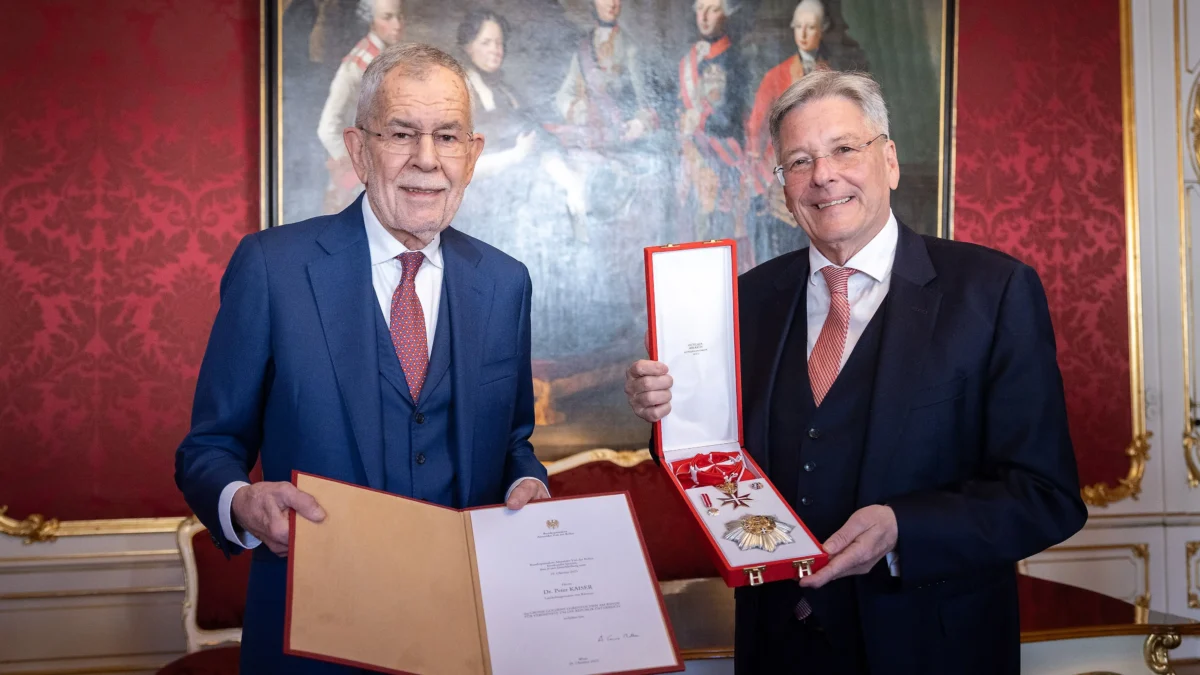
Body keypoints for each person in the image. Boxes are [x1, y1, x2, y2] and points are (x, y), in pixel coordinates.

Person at [625, 70, 1086, 674]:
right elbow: (704, 454)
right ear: (784, 188)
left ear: (889, 160)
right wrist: (665, 414)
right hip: (777, 649)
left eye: (845, 149)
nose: (823, 175)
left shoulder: (993, 292)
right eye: (798, 160)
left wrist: (903, 529)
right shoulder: (742, 302)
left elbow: (1045, 496)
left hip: (931, 650)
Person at [176, 44, 549, 673]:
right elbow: (208, 447)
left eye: (448, 136)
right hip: (312, 638)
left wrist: (525, 481)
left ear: (473, 154)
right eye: (402, 133)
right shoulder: (273, 269)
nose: (426, 160)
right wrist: (241, 501)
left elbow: (513, 441)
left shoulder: (505, 282)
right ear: (357, 149)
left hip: (467, 632)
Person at [456, 9, 589, 245]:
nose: (496, 49)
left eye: (499, 42)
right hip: (481, 205)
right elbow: (459, 165)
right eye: (486, 42)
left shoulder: (507, 91)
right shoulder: (461, 93)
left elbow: (535, 134)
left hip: (519, 192)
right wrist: (515, 155)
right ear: (468, 47)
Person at [744, 0, 834, 262]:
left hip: (821, 173)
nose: (804, 34)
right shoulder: (776, 76)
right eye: (799, 27)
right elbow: (755, 128)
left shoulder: (832, 75)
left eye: (810, 27)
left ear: (821, 31)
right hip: (782, 172)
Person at [676, 0, 757, 265]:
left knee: (723, 232)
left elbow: (734, 113)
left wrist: (700, 119)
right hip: (693, 157)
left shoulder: (735, 59)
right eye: (700, 9)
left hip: (725, 156)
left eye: (712, 9)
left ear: (725, 14)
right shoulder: (690, 59)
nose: (705, 17)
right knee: (693, 226)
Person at [315, 0, 404, 214]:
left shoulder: (391, 59)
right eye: (387, 17)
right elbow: (326, 128)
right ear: (370, 21)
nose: (397, 24)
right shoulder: (355, 66)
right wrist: (357, 163)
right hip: (359, 182)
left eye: (399, 16)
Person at [553, 0, 658, 148]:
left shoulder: (630, 48)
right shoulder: (584, 47)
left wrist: (638, 124)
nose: (612, 4)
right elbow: (563, 95)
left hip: (619, 138)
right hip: (588, 137)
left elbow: (645, 102)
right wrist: (579, 110)